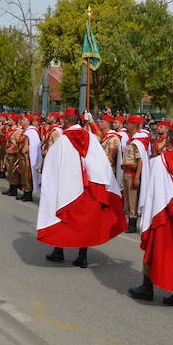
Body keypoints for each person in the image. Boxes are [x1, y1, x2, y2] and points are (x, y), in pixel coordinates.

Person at [37, 109, 127, 268]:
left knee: (64, 221)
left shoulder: (62, 141)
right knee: (85, 223)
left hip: (68, 188)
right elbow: (101, 163)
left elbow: (52, 168)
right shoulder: (91, 138)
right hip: (89, 188)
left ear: (66, 121)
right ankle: (82, 256)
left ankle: (59, 251)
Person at [127, 122, 173, 309]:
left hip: (164, 215)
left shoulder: (159, 161)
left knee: (155, 250)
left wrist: (147, 218)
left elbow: (153, 193)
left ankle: (147, 287)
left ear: (168, 139)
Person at [122, 115, 150, 233]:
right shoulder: (132, 140)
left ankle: (132, 223)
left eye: (128, 124)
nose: (126, 126)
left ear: (133, 126)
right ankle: (129, 220)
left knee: (132, 199)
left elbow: (140, 160)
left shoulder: (137, 143)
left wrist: (137, 176)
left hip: (132, 173)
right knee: (128, 198)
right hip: (126, 171)